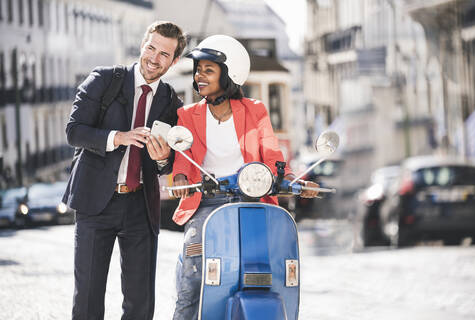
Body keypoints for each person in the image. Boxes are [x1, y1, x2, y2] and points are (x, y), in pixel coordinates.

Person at [170, 34, 319, 320]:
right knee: (193, 274)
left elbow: (274, 159)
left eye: (208, 70)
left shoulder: (255, 110)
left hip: (255, 200)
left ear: (229, 75)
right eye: (198, 69)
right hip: (208, 204)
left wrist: (296, 182)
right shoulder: (187, 115)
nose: (199, 75)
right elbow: (182, 161)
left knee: (274, 269)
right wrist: (179, 179)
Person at [62, 21, 186, 320]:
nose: (154, 58)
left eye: (164, 54)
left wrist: (161, 159)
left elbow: (168, 163)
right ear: (142, 44)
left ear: (174, 61)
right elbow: (74, 132)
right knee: (88, 298)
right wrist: (117, 137)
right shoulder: (104, 80)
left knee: (140, 303)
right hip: (95, 203)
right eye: (151, 48)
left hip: (140, 206)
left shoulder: (171, 101)